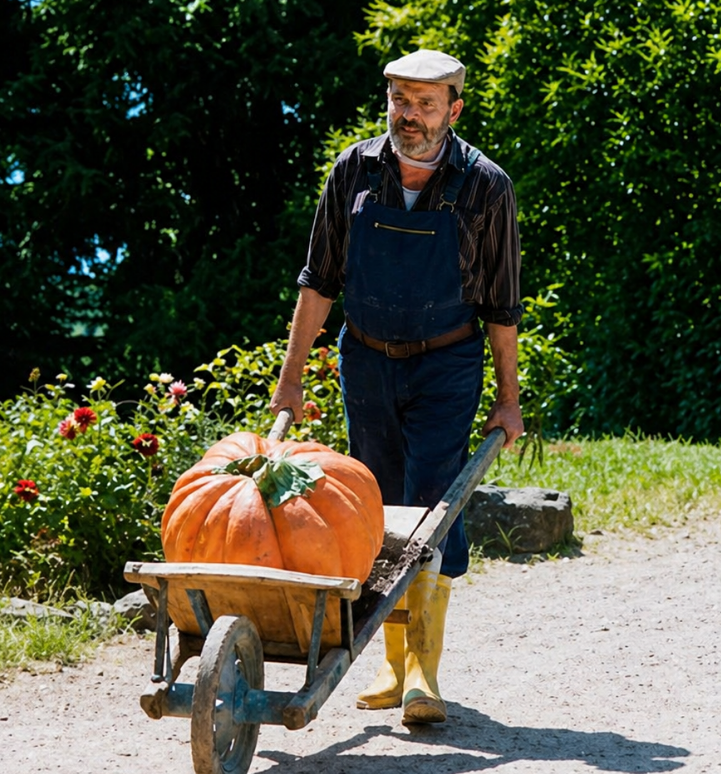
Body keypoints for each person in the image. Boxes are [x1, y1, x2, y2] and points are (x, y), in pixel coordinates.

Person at [269, 49, 525, 724]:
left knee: (435, 504)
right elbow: (319, 282)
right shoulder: (354, 170)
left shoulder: (485, 186)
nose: (409, 116)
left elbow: (501, 303)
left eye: (425, 104)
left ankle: (422, 672)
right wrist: (291, 380)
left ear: (454, 109)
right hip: (367, 361)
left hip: (447, 363)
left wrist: (508, 399)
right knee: (373, 503)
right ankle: (389, 664)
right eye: (399, 100)